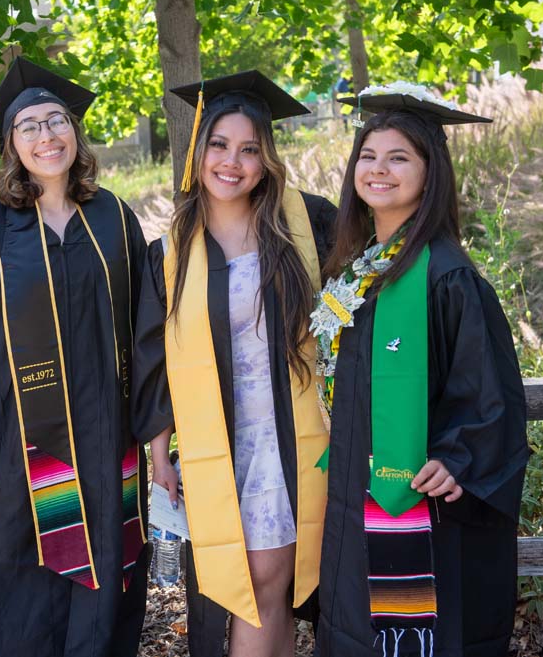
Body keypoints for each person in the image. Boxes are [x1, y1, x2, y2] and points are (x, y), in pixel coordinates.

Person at [0, 56, 150, 657]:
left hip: (106, 434)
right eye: (29, 126)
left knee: (108, 565)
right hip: (15, 439)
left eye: (57, 121)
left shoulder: (114, 217)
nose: (47, 135)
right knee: (24, 570)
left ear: (75, 132)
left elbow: (146, 329)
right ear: (10, 144)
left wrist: (157, 428)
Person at [310, 87, 529, 657]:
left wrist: (459, 458)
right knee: (355, 623)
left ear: (431, 174)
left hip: (422, 500)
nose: (378, 169)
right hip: (354, 486)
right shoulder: (361, 269)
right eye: (368, 156)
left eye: (398, 157)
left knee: (416, 630)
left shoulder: (447, 275)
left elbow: (488, 389)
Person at [132, 72, 337, 657]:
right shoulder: (170, 252)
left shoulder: (305, 226)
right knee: (256, 590)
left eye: (249, 149)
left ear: (266, 159)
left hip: (289, 433)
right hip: (216, 441)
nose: (232, 162)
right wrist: (159, 454)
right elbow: (154, 356)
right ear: (198, 151)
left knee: (269, 583)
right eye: (219, 145)